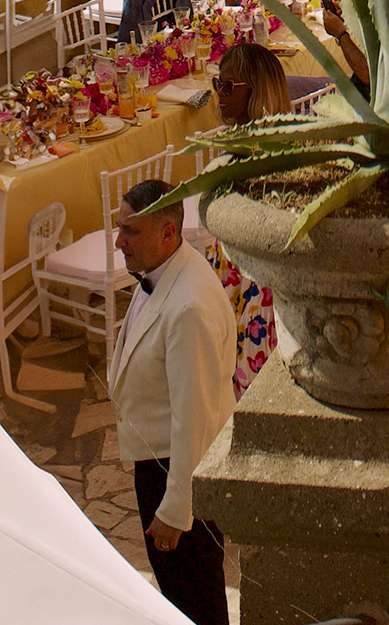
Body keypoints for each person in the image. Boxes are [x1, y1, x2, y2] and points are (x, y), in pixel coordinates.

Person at [108, 177, 238, 625]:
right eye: (119, 228)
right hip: (158, 463)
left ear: (168, 232)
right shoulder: (164, 269)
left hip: (176, 472)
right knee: (181, 596)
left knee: (195, 603)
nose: (119, 242)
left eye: (131, 231)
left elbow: (194, 418)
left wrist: (176, 509)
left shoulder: (188, 309)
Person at [204, 44, 288, 392]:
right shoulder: (241, 143)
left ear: (257, 90)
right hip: (230, 279)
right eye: (218, 84)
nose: (220, 94)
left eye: (229, 86)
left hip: (255, 290)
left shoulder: (267, 150)